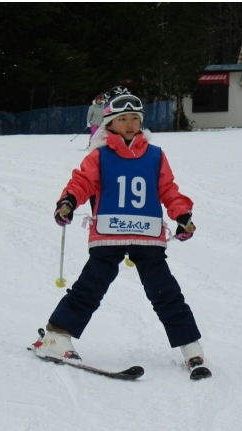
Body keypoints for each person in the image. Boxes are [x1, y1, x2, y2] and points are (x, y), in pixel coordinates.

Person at [32, 86, 207, 370]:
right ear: (109, 123)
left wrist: (182, 216)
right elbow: (81, 183)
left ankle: (190, 344)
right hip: (109, 234)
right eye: (123, 118)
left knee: (165, 291)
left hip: (147, 236)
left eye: (135, 118)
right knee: (91, 286)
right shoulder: (99, 156)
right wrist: (67, 202)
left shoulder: (154, 156)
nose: (130, 124)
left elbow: (168, 189)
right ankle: (57, 335)